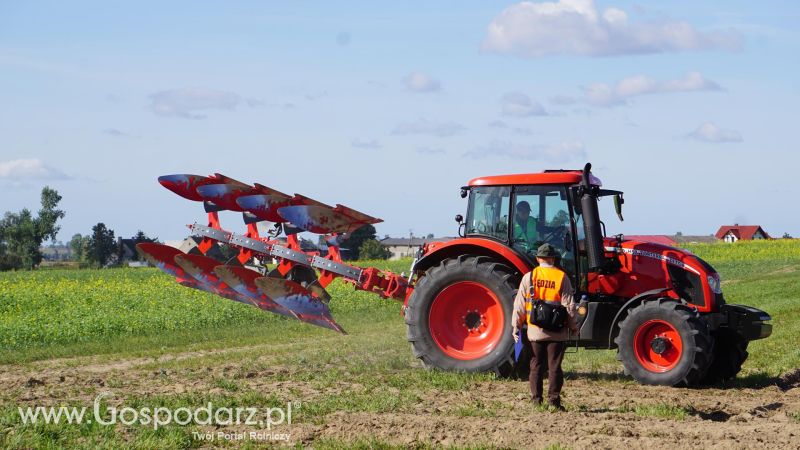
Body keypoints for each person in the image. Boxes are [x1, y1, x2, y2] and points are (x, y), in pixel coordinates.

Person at [511, 243, 578, 411]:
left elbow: (519, 304)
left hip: (535, 331)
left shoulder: (529, 277)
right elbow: (569, 306)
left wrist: (516, 326)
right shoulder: (562, 277)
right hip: (557, 332)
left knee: (536, 366)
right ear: (553, 258)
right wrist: (574, 327)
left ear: (538, 258)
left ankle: (536, 400)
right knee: (555, 366)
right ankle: (554, 401)